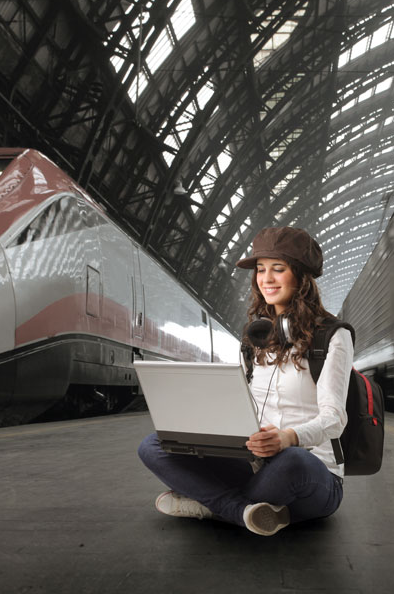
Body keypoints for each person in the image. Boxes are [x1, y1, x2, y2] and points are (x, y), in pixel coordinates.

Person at [137, 226, 353, 536]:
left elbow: (335, 419)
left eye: (278, 269)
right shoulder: (254, 337)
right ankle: (245, 512)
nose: (266, 278)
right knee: (154, 445)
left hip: (311, 474)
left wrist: (287, 437)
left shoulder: (332, 336)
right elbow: (242, 405)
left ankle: (209, 505)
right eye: (261, 269)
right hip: (255, 466)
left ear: (302, 277)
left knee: (293, 461)